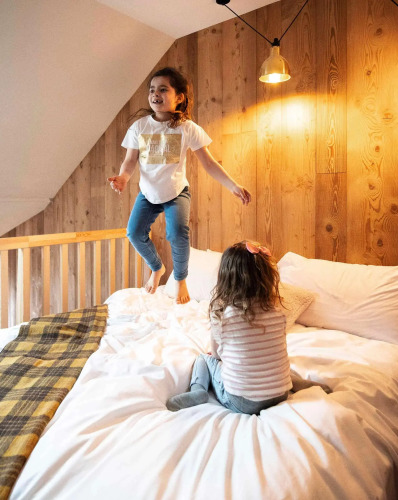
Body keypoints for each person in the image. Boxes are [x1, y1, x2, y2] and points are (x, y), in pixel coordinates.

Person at [107, 67, 251, 304]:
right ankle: (157, 268)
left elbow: (209, 163)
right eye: (152, 90)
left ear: (179, 97)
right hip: (148, 193)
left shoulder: (187, 128)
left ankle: (180, 279)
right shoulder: (139, 127)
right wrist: (123, 178)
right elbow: (130, 161)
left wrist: (233, 185)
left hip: (176, 193)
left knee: (177, 233)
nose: (156, 94)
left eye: (163, 89)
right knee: (134, 233)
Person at [166, 240, 331, 414]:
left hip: (242, 402)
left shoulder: (222, 315)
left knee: (204, 359)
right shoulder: (278, 311)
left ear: (226, 278)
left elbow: (216, 354)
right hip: (280, 393)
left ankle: (198, 390)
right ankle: (296, 383)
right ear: (266, 276)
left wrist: (217, 356)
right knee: (268, 362)